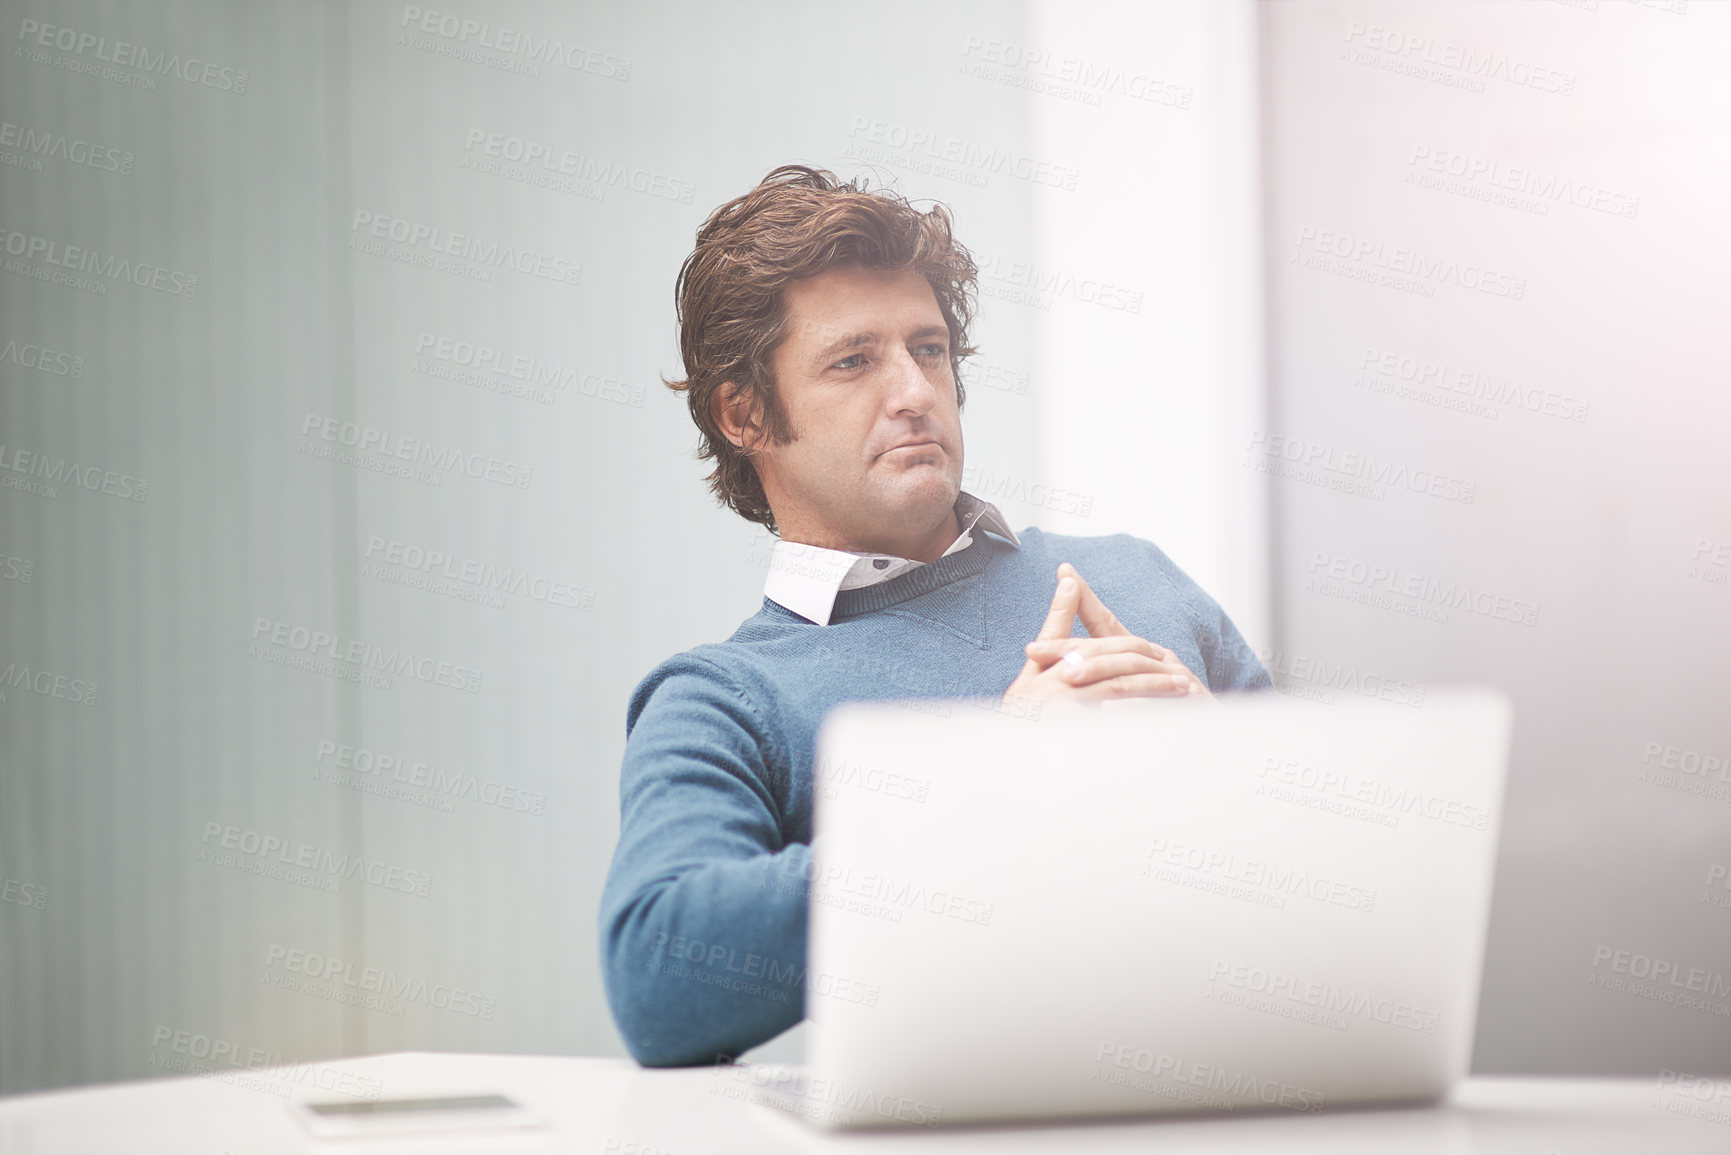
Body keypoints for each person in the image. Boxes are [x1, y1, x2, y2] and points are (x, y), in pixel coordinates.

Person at [598, 165, 1273, 1067]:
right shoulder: (723, 698)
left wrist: (1228, 771)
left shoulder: (1132, 577)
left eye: (928, 349)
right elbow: (657, 985)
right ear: (745, 413)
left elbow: (1345, 878)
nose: (914, 390)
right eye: (853, 360)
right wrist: (992, 783)